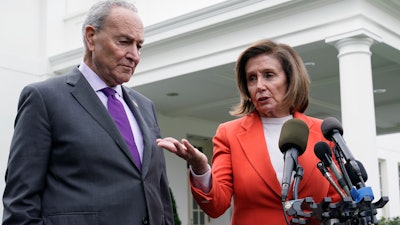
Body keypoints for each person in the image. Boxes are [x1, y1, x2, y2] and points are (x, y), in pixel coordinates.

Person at [2, 1, 173, 225]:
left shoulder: (146, 107)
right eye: (124, 42)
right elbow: (20, 206)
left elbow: (159, 196)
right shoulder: (44, 99)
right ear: (91, 37)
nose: (134, 55)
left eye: (139, 46)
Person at [157, 39, 342, 225]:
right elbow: (216, 205)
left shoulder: (323, 132)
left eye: (269, 75)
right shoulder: (229, 134)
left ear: (290, 79)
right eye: (252, 78)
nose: (259, 85)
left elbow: (338, 202)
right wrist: (200, 168)